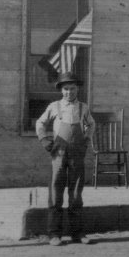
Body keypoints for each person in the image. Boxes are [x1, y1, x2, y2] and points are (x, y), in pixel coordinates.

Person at [36, 72, 96, 247]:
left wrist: (86, 139)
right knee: (56, 190)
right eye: (66, 89)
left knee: (76, 192)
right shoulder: (54, 106)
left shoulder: (83, 107)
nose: (69, 92)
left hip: (77, 153)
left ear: (77, 89)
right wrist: (44, 139)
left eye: (72, 88)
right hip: (59, 153)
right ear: (61, 90)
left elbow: (91, 124)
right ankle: (54, 233)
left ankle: (77, 233)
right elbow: (40, 123)